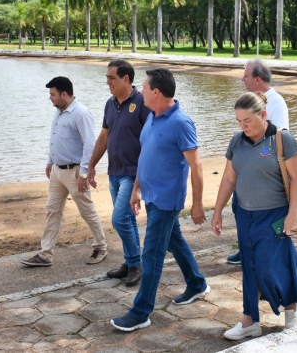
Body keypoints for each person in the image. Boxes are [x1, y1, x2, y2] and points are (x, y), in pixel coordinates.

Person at [111, 68, 210, 332]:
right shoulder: (152, 117)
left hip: (167, 200)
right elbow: (146, 156)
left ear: (156, 92)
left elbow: (196, 166)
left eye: (143, 88)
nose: (140, 92)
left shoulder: (181, 122)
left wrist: (197, 204)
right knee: (174, 242)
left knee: (152, 254)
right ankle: (197, 284)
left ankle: (141, 311)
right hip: (150, 195)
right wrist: (136, 190)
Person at [211, 92, 297, 340]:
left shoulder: (282, 139)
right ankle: (249, 321)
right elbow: (228, 178)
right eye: (239, 121)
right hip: (245, 215)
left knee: (269, 265)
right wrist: (217, 211)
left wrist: (293, 214)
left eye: (247, 121)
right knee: (250, 267)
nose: (243, 126)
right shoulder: (237, 141)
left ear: (263, 115)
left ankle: (291, 307)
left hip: (276, 214)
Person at [21, 76, 108, 267]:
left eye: (52, 94)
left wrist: (84, 174)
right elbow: (56, 138)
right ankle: (45, 255)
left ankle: (101, 246)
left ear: (64, 94)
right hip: (57, 172)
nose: (50, 98)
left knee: (86, 210)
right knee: (52, 211)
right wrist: (50, 161)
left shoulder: (81, 113)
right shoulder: (60, 111)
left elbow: (90, 145)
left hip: (75, 172)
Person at [88, 60, 151, 287]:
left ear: (126, 79)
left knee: (119, 218)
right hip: (114, 171)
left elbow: (150, 140)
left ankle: (136, 264)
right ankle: (131, 262)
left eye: (111, 78)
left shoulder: (143, 102)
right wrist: (91, 165)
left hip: (132, 173)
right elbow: (104, 137)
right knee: (128, 219)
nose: (108, 82)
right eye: (106, 78)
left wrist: (141, 177)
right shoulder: (110, 103)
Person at [226, 59, 290, 265]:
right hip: (247, 171)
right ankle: (246, 247)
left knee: (267, 219)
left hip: (265, 173)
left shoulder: (276, 102)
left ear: (258, 79)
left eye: (246, 75)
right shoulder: (250, 101)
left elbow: (280, 136)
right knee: (240, 208)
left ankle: (268, 252)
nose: (243, 79)